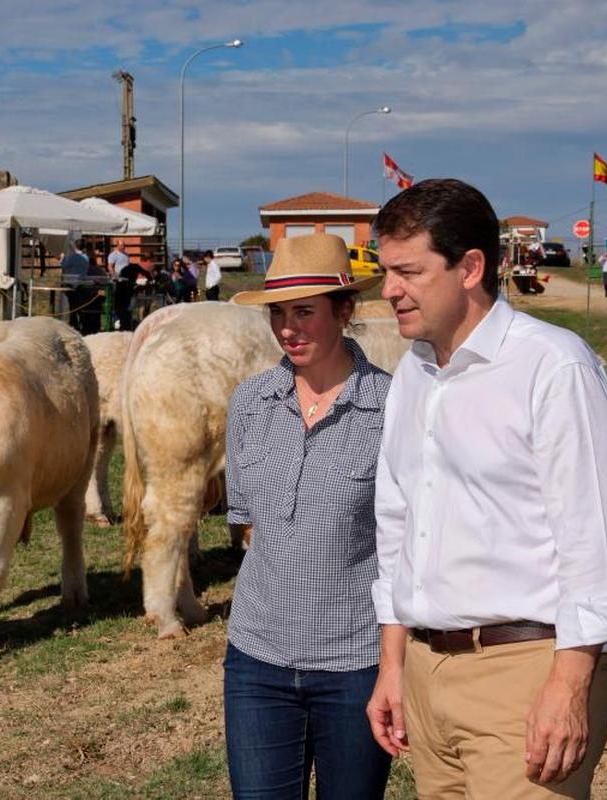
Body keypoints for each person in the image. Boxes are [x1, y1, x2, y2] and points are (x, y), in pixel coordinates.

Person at [366, 179, 607, 798]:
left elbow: (593, 542)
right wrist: (394, 664)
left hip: (525, 675)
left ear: (469, 268)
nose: (389, 290)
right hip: (428, 676)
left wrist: (568, 688)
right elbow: (398, 523)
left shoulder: (554, 367)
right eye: (386, 271)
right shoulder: (415, 372)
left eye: (408, 271)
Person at [224, 233, 391, 799]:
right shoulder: (250, 403)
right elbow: (247, 523)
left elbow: (403, 546)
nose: (288, 328)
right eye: (278, 313)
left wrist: (393, 668)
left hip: (356, 665)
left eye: (305, 312)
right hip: (256, 664)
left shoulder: (391, 409)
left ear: (345, 311)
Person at [61, 237, 100, 335]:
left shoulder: (72, 257)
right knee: (80, 306)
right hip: (82, 284)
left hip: (71, 284)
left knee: (73, 307)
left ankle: (74, 326)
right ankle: (81, 325)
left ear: (75, 246)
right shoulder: (86, 257)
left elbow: (63, 265)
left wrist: (62, 257)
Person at [112, 258, 151, 332]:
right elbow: (146, 274)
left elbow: (146, 274)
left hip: (123, 290)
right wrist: (149, 283)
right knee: (124, 310)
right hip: (123, 291)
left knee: (123, 311)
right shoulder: (134, 268)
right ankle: (125, 326)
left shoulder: (128, 269)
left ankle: (124, 326)